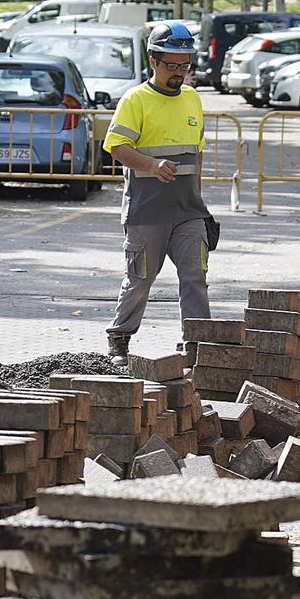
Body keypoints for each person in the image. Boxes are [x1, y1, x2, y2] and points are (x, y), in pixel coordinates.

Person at [103, 20, 211, 362]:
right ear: (153, 60)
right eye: (171, 65)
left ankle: (197, 344)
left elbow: (197, 153)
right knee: (140, 278)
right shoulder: (135, 99)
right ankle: (119, 338)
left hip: (188, 211)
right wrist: (151, 165)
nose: (179, 72)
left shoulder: (193, 99)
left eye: (185, 65)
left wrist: (201, 202)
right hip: (147, 211)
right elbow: (117, 146)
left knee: (195, 277)